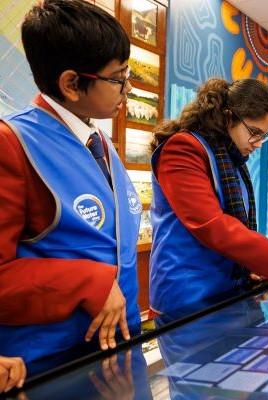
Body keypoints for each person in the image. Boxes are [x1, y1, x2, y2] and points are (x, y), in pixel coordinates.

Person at [0, 0, 141, 364]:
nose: (127, 89)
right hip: (53, 359)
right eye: (118, 78)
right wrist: (88, 283)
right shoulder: (13, 143)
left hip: (116, 350)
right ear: (72, 83)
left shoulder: (101, 143)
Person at [150, 77, 268, 315]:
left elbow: (239, 226)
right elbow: (213, 225)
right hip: (189, 295)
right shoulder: (182, 149)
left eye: (263, 136)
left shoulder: (231, 158)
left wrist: (253, 266)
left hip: (227, 291)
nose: (257, 144)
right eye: (254, 133)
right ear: (228, 116)